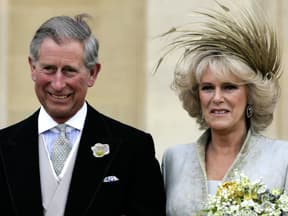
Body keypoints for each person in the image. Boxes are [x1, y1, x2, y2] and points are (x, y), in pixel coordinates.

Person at [0, 14, 166, 216]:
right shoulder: (3, 146)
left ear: (93, 73)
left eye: (69, 71)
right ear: (33, 68)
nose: (58, 84)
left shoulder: (133, 149)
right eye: (49, 69)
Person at [156, 2, 288, 215]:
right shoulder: (174, 159)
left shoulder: (282, 157)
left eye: (229, 87)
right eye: (207, 88)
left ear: (251, 95)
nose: (217, 98)